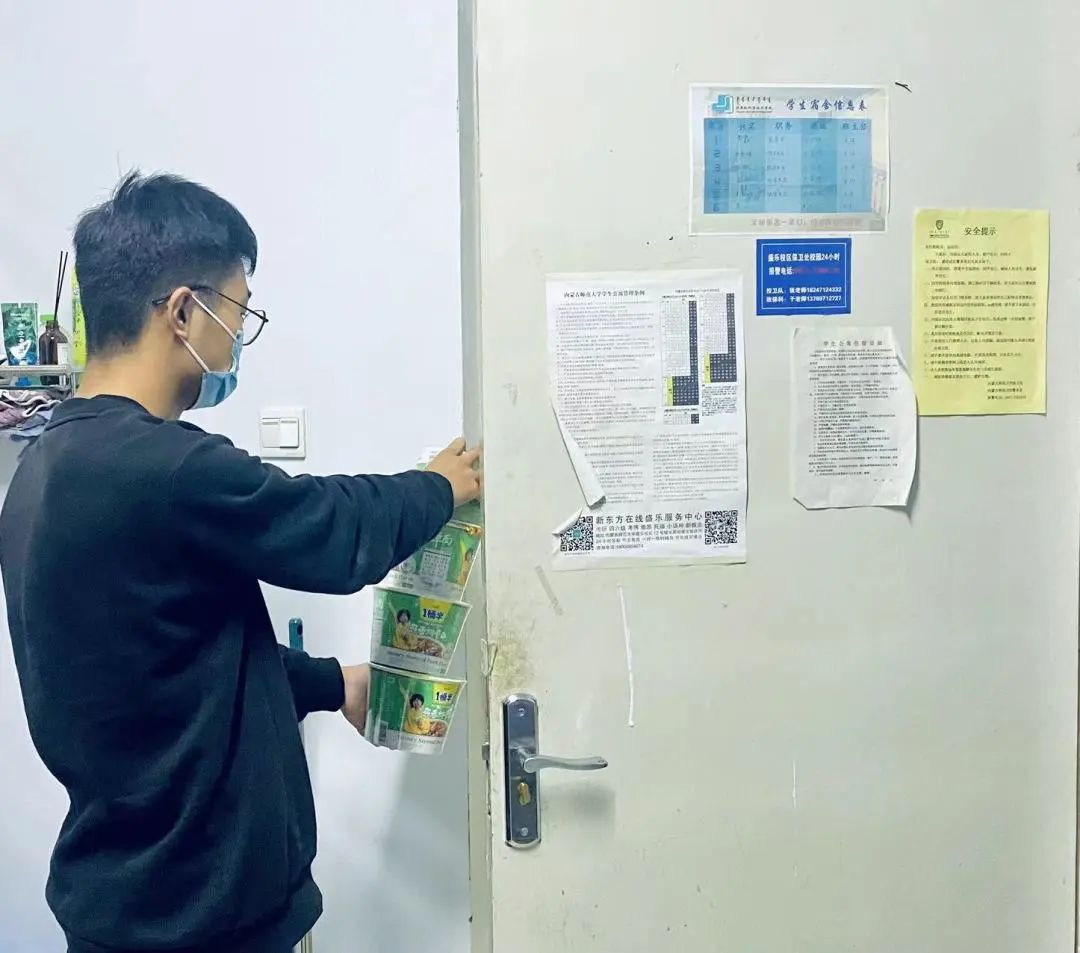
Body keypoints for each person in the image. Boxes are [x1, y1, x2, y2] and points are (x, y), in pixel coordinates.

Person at [0, 172, 482, 953]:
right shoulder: (166, 468)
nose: (237, 337)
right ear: (182, 312)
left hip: (120, 905)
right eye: (238, 309)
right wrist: (437, 486)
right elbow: (328, 530)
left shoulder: (42, 471)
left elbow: (170, 666)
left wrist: (334, 683)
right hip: (202, 917)